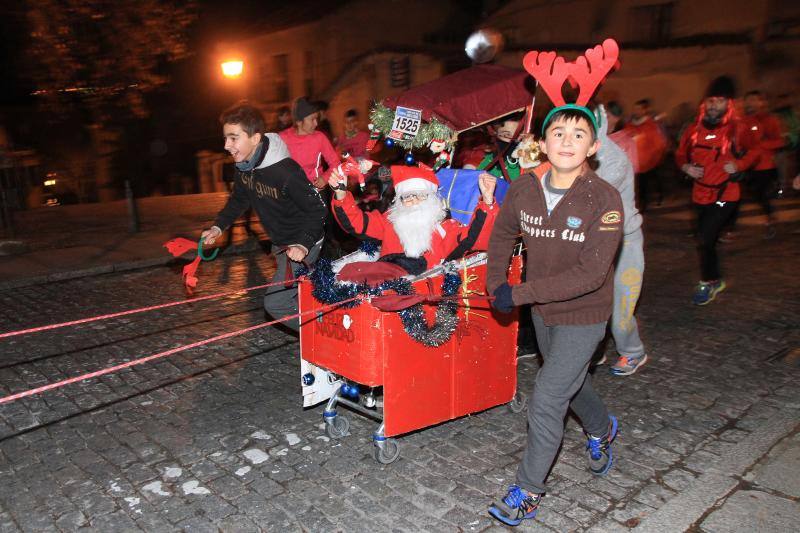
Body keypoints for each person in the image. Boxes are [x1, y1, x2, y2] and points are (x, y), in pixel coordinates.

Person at [486, 106, 623, 526]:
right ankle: (601, 428)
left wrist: (520, 293)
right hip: (544, 312)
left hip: (585, 313)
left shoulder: (604, 199)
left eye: (578, 134)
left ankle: (527, 490)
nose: (567, 141)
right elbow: (503, 234)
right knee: (571, 384)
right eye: (558, 133)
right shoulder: (523, 189)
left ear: (593, 147)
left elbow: (590, 274)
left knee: (547, 396)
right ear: (541, 144)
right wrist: (496, 285)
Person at [201, 102, 327, 331]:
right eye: (226, 138)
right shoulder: (244, 166)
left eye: (233, 138)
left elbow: (318, 208)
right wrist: (218, 227)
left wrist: (303, 244)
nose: (226, 145)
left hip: (303, 242)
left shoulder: (285, 171)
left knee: (276, 303)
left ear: (255, 138)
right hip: (281, 244)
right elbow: (239, 199)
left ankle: (325, 337)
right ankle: (323, 323)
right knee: (299, 296)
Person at [675, 76, 759, 306]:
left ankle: (708, 281)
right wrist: (686, 167)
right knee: (705, 241)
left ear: (728, 104)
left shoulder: (738, 129)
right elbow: (680, 153)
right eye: (711, 100)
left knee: (705, 238)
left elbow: (755, 150)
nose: (714, 105)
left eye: (720, 101)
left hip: (726, 194)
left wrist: (740, 165)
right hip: (699, 193)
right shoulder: (693, 129)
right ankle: (715, 277)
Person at [328, 165, 498, 275]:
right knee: (351, 272)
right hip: (383, 282)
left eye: (421, 195)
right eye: (407, 197)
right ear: (399, 201)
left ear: (432, 198)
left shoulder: (445, 227)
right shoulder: (390, 221)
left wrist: (487, 201)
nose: (414, 202)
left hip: (423, 294)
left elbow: (475, 238)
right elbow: (357, 223)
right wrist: (341, 193)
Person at [595, 105, 648, 375]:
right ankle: (596, 350)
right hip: (595, 241)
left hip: (624, 240)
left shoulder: (612, 159)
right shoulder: (575, 156)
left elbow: (589, 197)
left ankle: (632, 351)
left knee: (621, 305)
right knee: (593, 301)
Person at [741, 90, 785, 238]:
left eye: (754, 100)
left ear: (761, 102)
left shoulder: (770, 119)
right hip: (746, 164)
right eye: (748, 100)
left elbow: (780, 141)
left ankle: (770, 220)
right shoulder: (743, 120)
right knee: (748, 194)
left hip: (764, 165)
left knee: (761, 194)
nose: (750, 103)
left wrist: (763, 145)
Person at [279, 97, 340, 190]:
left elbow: (336, 163)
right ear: (299, 122)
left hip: (315, 191)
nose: (316, 123)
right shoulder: (283, 138)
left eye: (317, 119)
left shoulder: (319, 138)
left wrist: (324, 178)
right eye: (312, 119)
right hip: (291, 193)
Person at [623, 98, 668, 212]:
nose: (636, 111)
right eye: (635, 108)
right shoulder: (629, 124)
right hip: (635, 160)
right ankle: (640, 203)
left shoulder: (651, 125)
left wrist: (655, 157)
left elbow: (659, 142)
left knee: (648, 182)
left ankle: (650, 201)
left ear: (645, 110)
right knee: (638, 184)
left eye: (639, 109)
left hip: (649, 160)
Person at [474, 112, 526, 180]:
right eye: (506, 135)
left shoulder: (525, 162)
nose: (512, 140)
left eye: (518, 134)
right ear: (495, 134)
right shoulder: (487, 162)